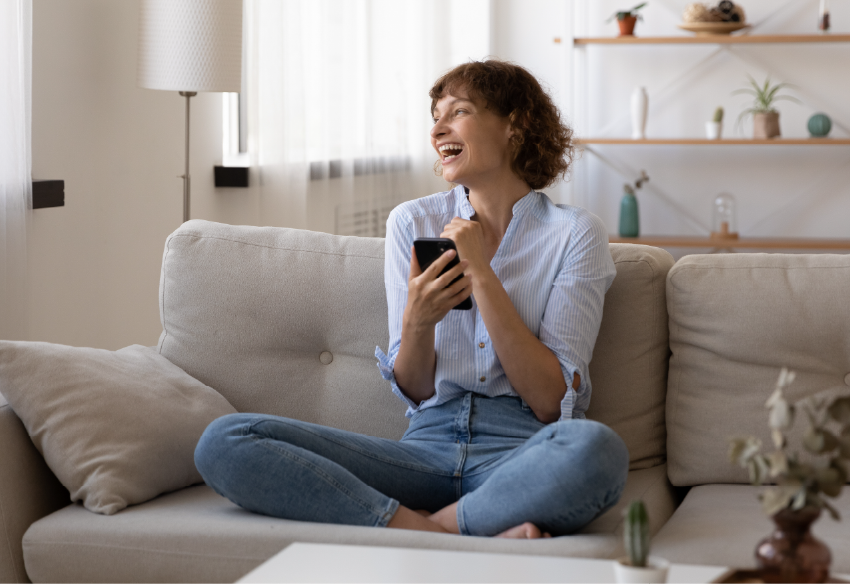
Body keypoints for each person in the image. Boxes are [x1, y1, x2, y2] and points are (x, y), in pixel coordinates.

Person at [195, 60, 627, 539]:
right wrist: (418, 323)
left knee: (597, 450)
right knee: (226, 440)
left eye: (458, 112)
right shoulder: (412, 222)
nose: (437, 130)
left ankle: (430, 528)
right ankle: (449, 529)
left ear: (516, 124)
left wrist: (481, 273)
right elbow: (416, 390)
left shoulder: (574, 233)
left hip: (521, 454)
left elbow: (549, 401)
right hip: (422, 452)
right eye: (435, 117)